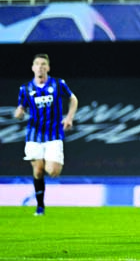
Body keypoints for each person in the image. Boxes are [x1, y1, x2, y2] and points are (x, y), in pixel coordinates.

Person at [14, 53, 78, 216]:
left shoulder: (58, 84)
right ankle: (40, 206)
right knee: (38, 170)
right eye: (37, 64)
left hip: (54, 133)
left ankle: (46, 166)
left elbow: (73, 99)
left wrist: (69, 118)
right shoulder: (25, 88)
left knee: (53, 171)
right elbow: (21, 106)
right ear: (33, 68)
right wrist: (19, 112)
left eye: (43, 64)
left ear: (48, 68)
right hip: (34, 134)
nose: (40, 67)